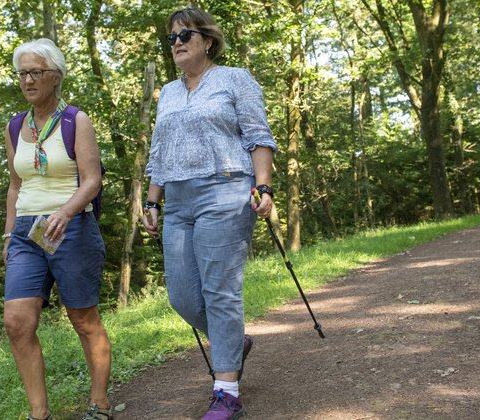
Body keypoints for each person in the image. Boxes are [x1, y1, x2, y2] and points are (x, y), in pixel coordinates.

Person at [140, 7, 277, 420]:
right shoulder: (167, 92)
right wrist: (151, 201)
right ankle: (233, 342)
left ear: (208, 40)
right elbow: (159, 153)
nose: (177, 43)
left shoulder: (235, 79)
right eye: (172, 39)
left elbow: (258, 135)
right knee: (182, 296)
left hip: (226, 190)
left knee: (220, 291)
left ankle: (227, 393)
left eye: (185, 35)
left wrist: (263, 185)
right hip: (178, 201)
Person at [2, 38, 113, 420]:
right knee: (16, 322)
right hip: (26, 235)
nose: (28, 80)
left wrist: (65, 213)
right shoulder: (15, 126)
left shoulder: (75, 121)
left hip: (71, 229)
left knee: (83, 320)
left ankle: (99, 405)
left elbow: (92, 180)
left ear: (55, 77)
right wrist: (8, 232)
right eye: (23, 73)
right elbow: (15, 186)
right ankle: (39, 414)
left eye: (36, 72)